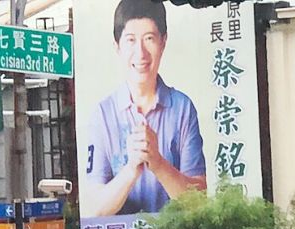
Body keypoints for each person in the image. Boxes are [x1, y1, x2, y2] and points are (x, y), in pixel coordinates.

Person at [85, 0, 208, 217]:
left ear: (163, 42)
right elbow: (96, 207)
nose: (140, 53)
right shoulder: (102, 114)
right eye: (131, 40)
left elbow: (199, 203)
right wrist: (131, 169)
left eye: (149, 38)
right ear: (117, 46)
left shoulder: (183, 109)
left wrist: (158, 163)